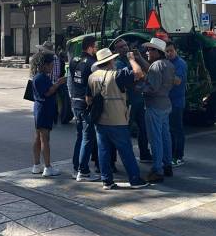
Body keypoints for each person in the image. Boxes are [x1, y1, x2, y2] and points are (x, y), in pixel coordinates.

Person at [88, 48, 148, 189]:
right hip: (117, 119)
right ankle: (135, 179)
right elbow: (138, 73)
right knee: (125, 149)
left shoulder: (92, 76)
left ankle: (107, 181)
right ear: (110, 61)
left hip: (100, 119)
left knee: (103, 150)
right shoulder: (117, 75)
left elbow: (88, 99)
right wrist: (131, 59)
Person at [138, 37, 175, 183]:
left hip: (154, 105)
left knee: (155, 139)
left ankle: (157, 170)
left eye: (150, 50)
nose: (147, 52)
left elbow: (152, 88)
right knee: (165, 137)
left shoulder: (156, 66)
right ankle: (167, 165)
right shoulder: (169, 64)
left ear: (157, 52)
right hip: (165, 103)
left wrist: (139, 87)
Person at [113, 39, 152, 162]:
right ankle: (126, 157)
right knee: (126, 130)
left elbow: (147, 72)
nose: (125, 48)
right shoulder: (118, 63)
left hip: (139, 100)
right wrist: (135, 67)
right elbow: (134, 77)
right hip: (128, 102)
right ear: (116, 50)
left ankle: (144, 153)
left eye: (125, 45)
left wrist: (139, 58)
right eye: (121, 47)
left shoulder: (133, 59)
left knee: (144, 128)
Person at [31, 53, 67, 177]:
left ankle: (36, 165)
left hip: (40, 109)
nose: (52, 67)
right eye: (51, 65)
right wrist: (58, 83)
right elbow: (47, 92)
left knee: (38, 137)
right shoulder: (40, 77)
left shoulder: (39, 76)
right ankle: (47, 167)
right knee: (44, 139)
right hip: (44, 110)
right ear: (44, 65)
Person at [68, 36, 99, 181]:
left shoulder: (73, 60)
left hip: (75, 101)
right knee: (87, 138)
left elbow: (70, 81)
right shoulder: (93, 64)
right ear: (90, 47)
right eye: (95, 46)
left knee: (80, 136)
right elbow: (94, 85)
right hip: (87, 103)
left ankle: (77, 167)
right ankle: (83, 171)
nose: (97, 49)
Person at [166, 42, 187, 166]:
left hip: (176, 102)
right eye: (167, 51)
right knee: (170, 129)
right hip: (168, 101)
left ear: (176, 51)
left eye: (171, 51)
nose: (169, 53)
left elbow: (178, 81)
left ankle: (178, 156)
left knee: (176, 129)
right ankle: (171, 154)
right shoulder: (167, 63)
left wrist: (164, 73)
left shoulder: (180, 64)